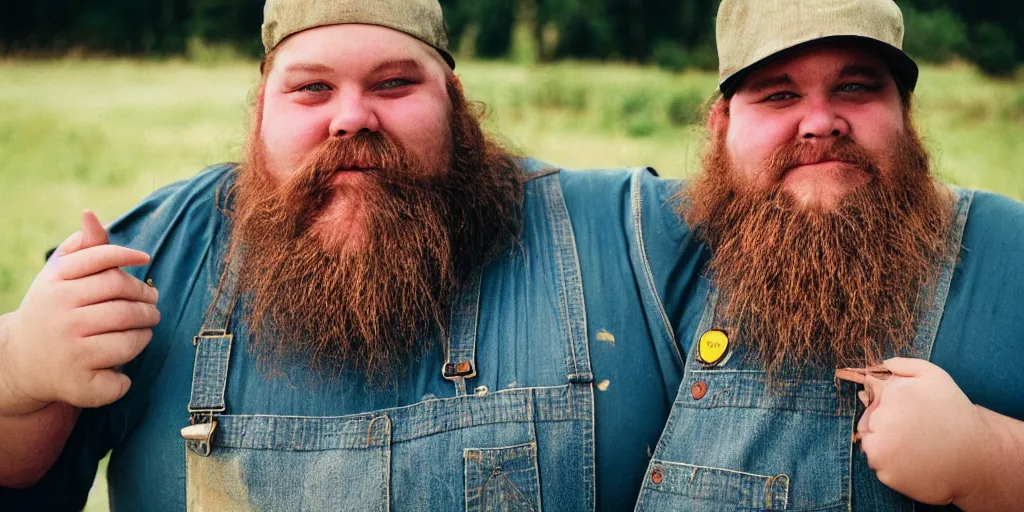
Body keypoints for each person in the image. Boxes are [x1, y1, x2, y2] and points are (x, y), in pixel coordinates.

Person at [0, 1, 696, 509]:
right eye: (312, 88)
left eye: (395, 84)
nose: (352, 116)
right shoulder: (157, 257)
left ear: (455, 103)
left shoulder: (625, 238)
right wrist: (20, 377)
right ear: (260, 113)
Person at [633, 0, 1024, 510]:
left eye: (855, 87)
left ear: (904, 113)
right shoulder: (663, 258)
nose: (820, 122)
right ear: (720, 127)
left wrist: (988, 458)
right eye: (779, 94)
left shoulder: (1009, 253)